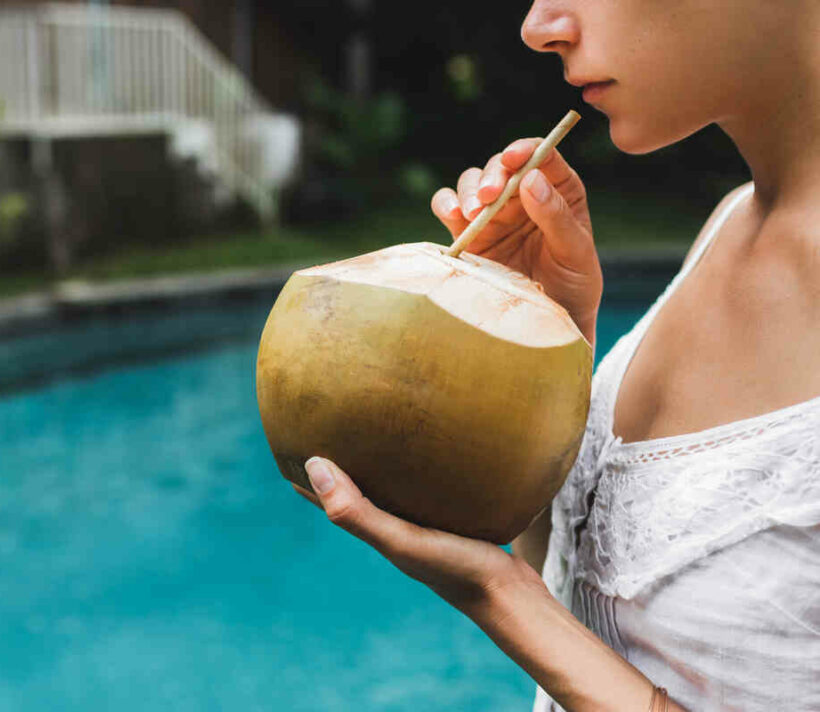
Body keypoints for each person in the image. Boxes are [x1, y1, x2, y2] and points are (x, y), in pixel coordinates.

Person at [291, 0, 820, 709]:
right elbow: (575, 587)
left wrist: (499, 596)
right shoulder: (729, 225)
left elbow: (541, 608)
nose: (538, 26)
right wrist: (547, 358)